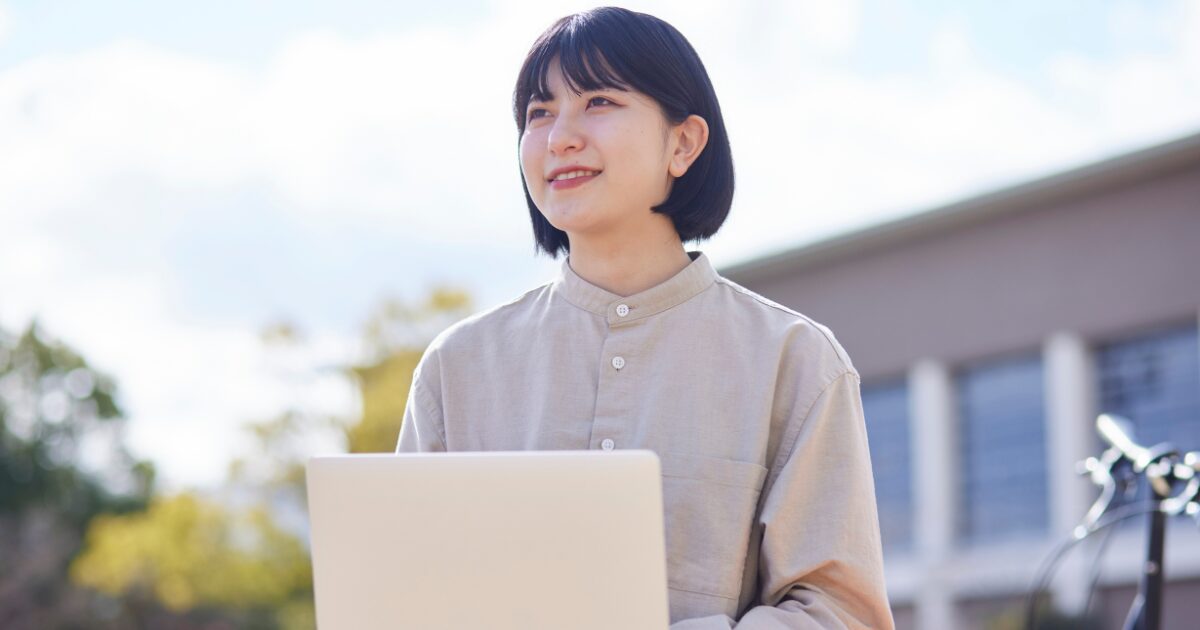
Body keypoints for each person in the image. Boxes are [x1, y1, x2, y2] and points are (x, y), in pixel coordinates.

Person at [396, 6, 894, 629]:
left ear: (682, 143)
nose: (559, 137)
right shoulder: (457, 367)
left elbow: (838, 613)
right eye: (539, 113)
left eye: (598, 102)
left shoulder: (794, 361)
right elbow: (403, 596)